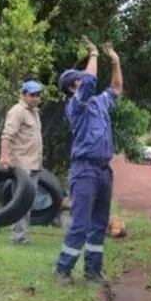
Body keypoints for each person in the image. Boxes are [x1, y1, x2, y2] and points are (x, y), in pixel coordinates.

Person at [54, 38, 122, 285]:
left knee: (99, 224)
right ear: (74, 86)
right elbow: (92, 80)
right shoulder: (76, 106)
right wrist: (93, 54)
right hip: (84, 171)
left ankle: (93, 270)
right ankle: (63, 269)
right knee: (81, 224)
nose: (87, 79)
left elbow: (115, 88)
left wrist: (115, 62)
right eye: (81, 78)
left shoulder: (98, 103)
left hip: (103, 170)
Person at [0, 80, 44, 245]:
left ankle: (23, 235)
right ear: (23, 95)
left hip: (33, 164)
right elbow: (7, 136)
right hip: (21, 164)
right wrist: (4, 157)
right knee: (20, 202)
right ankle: (18, 237)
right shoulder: (17, 111)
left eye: (38, 95)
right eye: (32, 95)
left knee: (28, 202)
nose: (36, 98)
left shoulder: (34, 112)